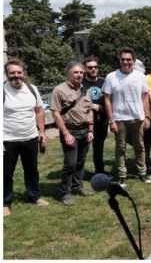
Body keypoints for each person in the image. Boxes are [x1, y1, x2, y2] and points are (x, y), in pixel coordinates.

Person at [3, 59, 49, 215]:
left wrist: (42, 132)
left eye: (19, 72)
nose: (16, 76)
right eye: (12, 73)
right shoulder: (2, 91)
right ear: (6, 74)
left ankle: (34, 196)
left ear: (24, 73)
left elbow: (39, 111)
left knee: (31, 170)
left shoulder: (32, 89)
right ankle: (5, 202)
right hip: (8, 139)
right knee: (6, 172)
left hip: (30, 137)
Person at [103, 48, 150, 185]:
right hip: (119, 118)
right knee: (120, 147)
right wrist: (111, 120)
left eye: (129, 59)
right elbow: (107, 99)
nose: (126, 62)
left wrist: (147, 116)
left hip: (138, 117)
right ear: (119, 60)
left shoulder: (140, 76)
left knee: (140, 146)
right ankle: (122, 175)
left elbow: (145, 96)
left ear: (133, 61)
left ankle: (142, 172)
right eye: (123, 59)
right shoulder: (111, 77)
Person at [50, 61, 94, 205]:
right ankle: (65, 192)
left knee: (81, 162)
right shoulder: (59, 90)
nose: (79, 75)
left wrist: (90, 129)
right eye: (76, 72)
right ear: (68, 73)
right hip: (70, 131)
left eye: (81, 72)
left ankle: (78, 186)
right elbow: (56, 113)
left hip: (84, 131)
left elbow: (89, 110)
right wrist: (66, 133)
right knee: (70, 163)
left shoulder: (85, 89)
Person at [81, 56, 109, 175]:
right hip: (84, 121)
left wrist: (99, 108)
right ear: (85, 69)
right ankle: (78, 174)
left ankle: (99, 171)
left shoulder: (104, 82)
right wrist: (90, 106)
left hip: (101, 120)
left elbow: (109, 102)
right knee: (82, 149)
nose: (93, 69)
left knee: (98, 147)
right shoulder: (81, 83)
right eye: (90, 67)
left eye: (95, 67)